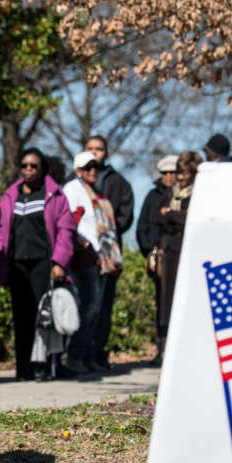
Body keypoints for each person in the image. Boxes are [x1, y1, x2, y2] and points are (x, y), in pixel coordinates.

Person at [0, 148, 76, 381]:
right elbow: (2, 231)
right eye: (25, 166)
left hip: (44, 263)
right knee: (22, 317)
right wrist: (1, 262)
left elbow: (66, 231)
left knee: (45, 318)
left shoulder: (54, 195)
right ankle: (24, 369)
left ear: (42, 169)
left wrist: (59, 261)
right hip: (18, 264)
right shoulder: (11, 195)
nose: (28, 170)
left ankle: (46, 366)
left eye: (34, 166)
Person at [62, 151, 123, 374]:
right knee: (87, 306)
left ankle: (87, 355)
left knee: (97, 309)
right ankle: (73, 354)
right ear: (78, 171)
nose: (93, 172)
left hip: (101, 258)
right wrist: (81, 242)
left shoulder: (96, 192)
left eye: (96, 167)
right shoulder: (73, 190)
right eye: (88, 168)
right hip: (83, 257)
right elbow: (68, 221)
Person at [83, 135, 134, 371]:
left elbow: (125, 216)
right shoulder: (75, 182)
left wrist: (106, 228)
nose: (95, 153)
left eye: (99, 149)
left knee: (104, 306)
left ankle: (98, 354)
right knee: (86, 304)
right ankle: (80, 354)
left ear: (107, 152)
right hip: (83, 254)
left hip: (109, 254)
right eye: (90, 149)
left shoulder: (119, 183)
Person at [152, 150, 202, 359]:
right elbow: (155, 215)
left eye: (185, 174)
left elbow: (191, 218)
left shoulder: (199, 193)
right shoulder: (170, 193)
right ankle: (164, 346)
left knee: (187, 298)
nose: (180, 178)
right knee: (166, 300)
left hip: (188, 250)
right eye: (179, 173)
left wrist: (170, 214)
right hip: (169, 250)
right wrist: (175, 216)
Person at [135, 155, 176, 366]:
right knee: (162, 304)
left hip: (178, 258)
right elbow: (142, 227)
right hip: (159, 259)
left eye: (173, 173)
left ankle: (176, 350)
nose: (169, 177)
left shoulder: (183, 195)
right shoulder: (153, 196)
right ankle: (161, 349)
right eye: (165, 173)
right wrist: (150, 250)